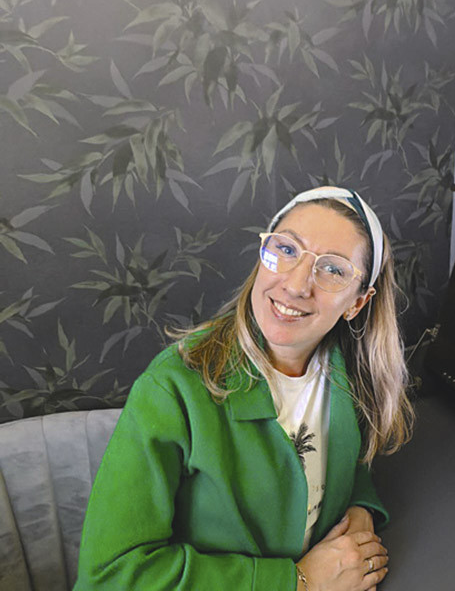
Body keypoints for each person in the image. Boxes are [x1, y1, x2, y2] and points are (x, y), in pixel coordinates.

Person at [74, 186, 414, 591]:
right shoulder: (171, 388)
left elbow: (338, 465)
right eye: (286, 249)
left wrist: (359, 508)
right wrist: (297, 582)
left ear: (357, 303)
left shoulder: (344, 372)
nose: (296, 285)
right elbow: (110, 576)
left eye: (333, 270)